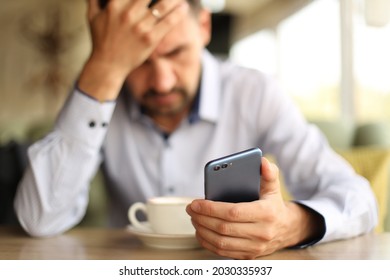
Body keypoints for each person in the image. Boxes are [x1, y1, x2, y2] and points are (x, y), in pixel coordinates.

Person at [14, 0, 378, 260]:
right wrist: (103, 69)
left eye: (175, 53)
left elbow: (360, 201)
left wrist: (293, 224)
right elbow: (39, 219)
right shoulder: (102, 91)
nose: (161, 80)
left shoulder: (255, 93)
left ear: (204, 26)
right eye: (139, 60)